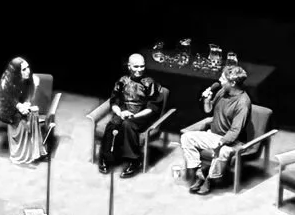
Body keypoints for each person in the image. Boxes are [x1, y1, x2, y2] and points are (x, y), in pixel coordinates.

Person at [177, 65, 253, 195]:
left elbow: (235, 131)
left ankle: (209, 179)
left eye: (223, 78)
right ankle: (199, 172)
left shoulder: (243, 102)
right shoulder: (222, 91)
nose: (219, 79)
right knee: (186, 137)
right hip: (213, 135)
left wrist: (220, 143)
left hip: (233, 142)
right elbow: (209, 110)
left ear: (233, 83)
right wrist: (207, 99)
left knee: (222, 151)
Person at [93, 53, 164, 176]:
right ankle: (105, 157)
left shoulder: (150, 83)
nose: (139, 70)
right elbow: (114, 101)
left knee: (127, 124)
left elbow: (153, 107)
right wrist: (120, 112)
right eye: (136, 67)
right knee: (113, 124)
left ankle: (134, 161)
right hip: (124, 112)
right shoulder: (122, 81)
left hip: (142, 116)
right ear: (129, 66)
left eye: (142, 66)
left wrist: (134, 116)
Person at [0, 56, 41, 165]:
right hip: (9, 110)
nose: (28, 71)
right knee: (24, 120)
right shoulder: (6, 83)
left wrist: (27, 104)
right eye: (24, 69)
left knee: (34, 114)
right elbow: (10, 101)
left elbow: (29, 95)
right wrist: (21, 107)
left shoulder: (30, 79)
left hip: (21, 105)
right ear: (16, 72)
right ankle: (19, 154)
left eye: (28, 67)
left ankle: (32, 151)